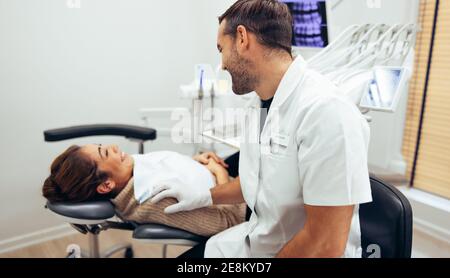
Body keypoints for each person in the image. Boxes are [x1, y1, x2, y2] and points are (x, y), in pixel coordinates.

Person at [150, 0, 372, 258]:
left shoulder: (327, 112)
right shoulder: (259, 104)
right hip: (256, 242)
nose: (221, 65)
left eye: (221, 49)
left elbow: (325, 244)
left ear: (242, 38)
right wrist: (204, 196)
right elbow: (256, 183)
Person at [42, 144, 246, 237]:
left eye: (103, 146)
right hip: (243, 204)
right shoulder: (155, 198)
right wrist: (219, 172)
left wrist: (196, 162)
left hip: (218, 180)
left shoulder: (132, 173)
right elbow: (230, 223)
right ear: (106, 185)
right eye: (105, 153)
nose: (114, 147)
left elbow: (166, 169)